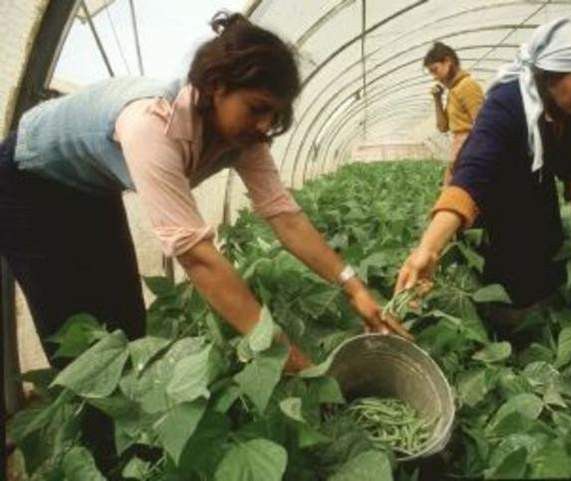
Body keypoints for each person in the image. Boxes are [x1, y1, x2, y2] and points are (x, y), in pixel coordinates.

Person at [0, 11, 410, 373]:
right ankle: (95, 442)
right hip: (30, 181)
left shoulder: (246, 138)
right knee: (75, 338)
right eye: (256, 107)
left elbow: (284, 215)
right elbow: (197, 257)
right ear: (216, 86)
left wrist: (353, 286)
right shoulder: (152, 125)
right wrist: (284, 356)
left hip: (93, 187)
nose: (266, 124)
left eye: (275, 114)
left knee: (125, 319)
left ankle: (133, 437)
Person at [398, 15, 571, 339]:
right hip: (498, 191)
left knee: (548, 241)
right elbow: (473, 174)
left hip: (539, 185)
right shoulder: (508, 104)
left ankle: (542, 327)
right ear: (550, 76)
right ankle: (502, 332)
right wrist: (429, 248)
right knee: (507, 262)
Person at [424, 42, 484, 185]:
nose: (435, 77)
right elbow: (443, 127)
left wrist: (468, 159)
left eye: (435, 70)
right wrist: (437, 100)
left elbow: (482, 126)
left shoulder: (468, 86)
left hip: (469, 153)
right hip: (460, 151)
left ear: (448, 62)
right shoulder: (454, 90)